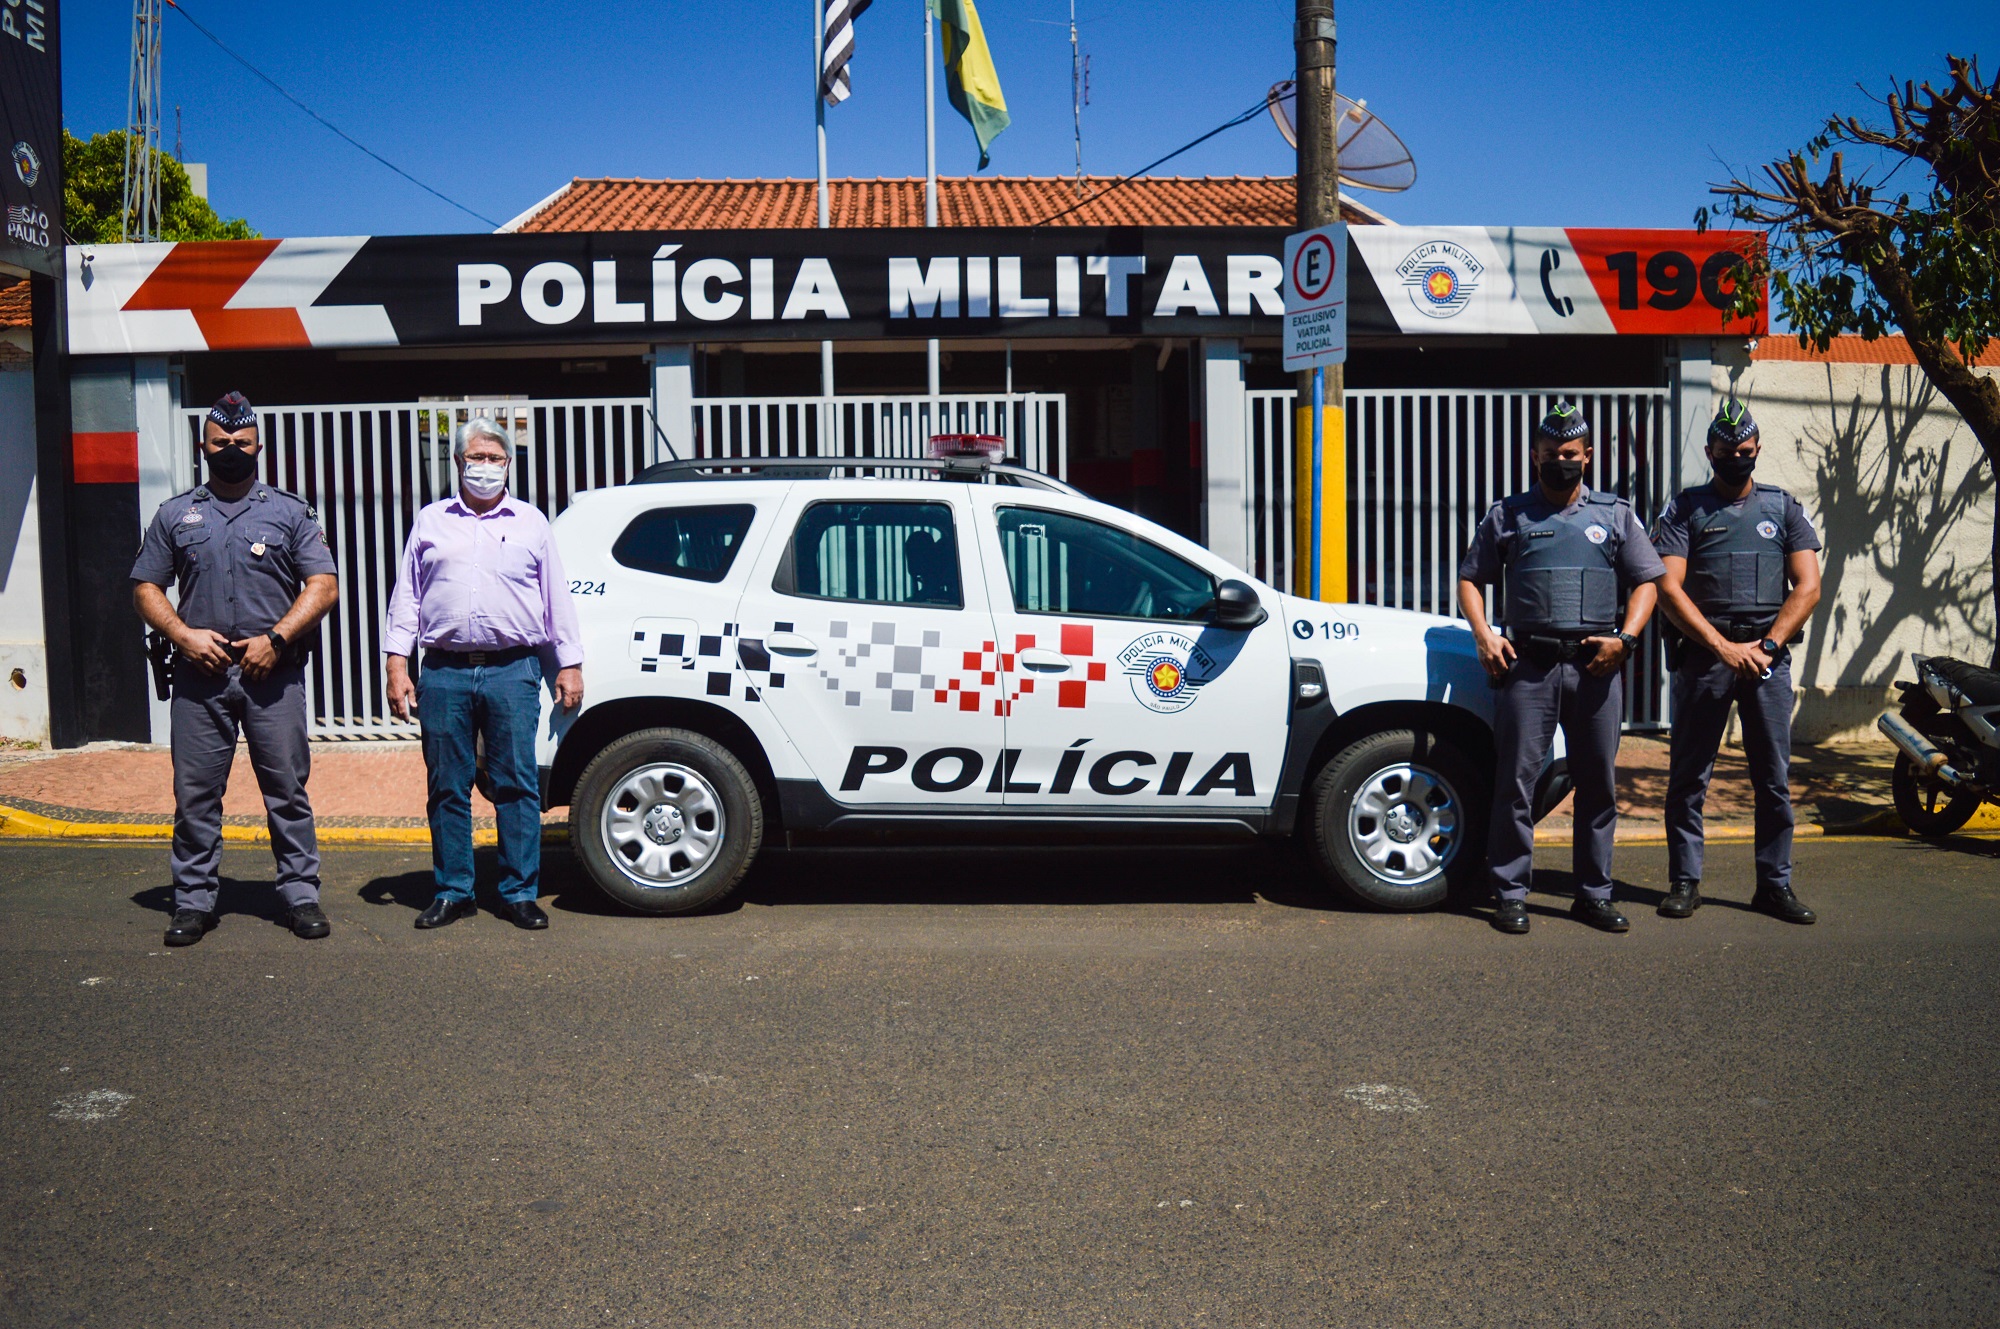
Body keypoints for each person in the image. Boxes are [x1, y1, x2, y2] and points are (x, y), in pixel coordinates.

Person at [131, 392, 340, 947]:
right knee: (195, 796)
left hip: (272, 678)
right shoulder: (175, 514)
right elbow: (146, 587)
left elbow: (324, 584)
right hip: (200, 680)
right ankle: (193, 901)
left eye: (241, 443)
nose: (230, 451)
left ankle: (300, 896)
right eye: (220, 443)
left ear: (258, 448)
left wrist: (276, 638)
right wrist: (181, 634)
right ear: (204, 446)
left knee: (287, 792)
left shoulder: (291, 512)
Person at [1456, 402, 1666, 935]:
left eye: (1569, 453)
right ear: (1535, 456)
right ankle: (1509, 892)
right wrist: (1484, 635)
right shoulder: (1506, 514)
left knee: (1598, 785)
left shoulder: (1616, 515)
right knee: (1516, 783)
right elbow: (1470, 578)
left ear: (1587, 456)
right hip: (1529, 667)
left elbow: (1647, 581)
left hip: (1597, 668)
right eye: (1550, 454)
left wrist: (1627, 638)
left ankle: (1593, 894)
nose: (1560, 461)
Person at [383, 417, 583, 931]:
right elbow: (407, 597)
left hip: (511, 671)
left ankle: (518, 892)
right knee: (447, 785)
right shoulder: (431, 521)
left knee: (516, 785)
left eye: (497, 459)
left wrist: (570, 664)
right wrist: (396, 663)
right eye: (478, 457)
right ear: (458, 462)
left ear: (509, 465)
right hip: (444, 672)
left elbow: (555, 598)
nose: (487, 468)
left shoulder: (531, 522)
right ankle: (454, 891)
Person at [1651, 401, 1823, 924]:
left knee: (1772, 778)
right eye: (1726, 453)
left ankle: (1774, 886)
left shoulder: (1783, 508)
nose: (1736, 459)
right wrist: (1722, 648)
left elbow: (1809, 586)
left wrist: (1768, 646)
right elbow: (1667, 588)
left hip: (1766, 660)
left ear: (1757, 450)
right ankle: (1685, 881)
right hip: (1706, 658)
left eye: (1744, 452)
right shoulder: (1684, 510)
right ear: (1710, 453)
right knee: (1689, 777)